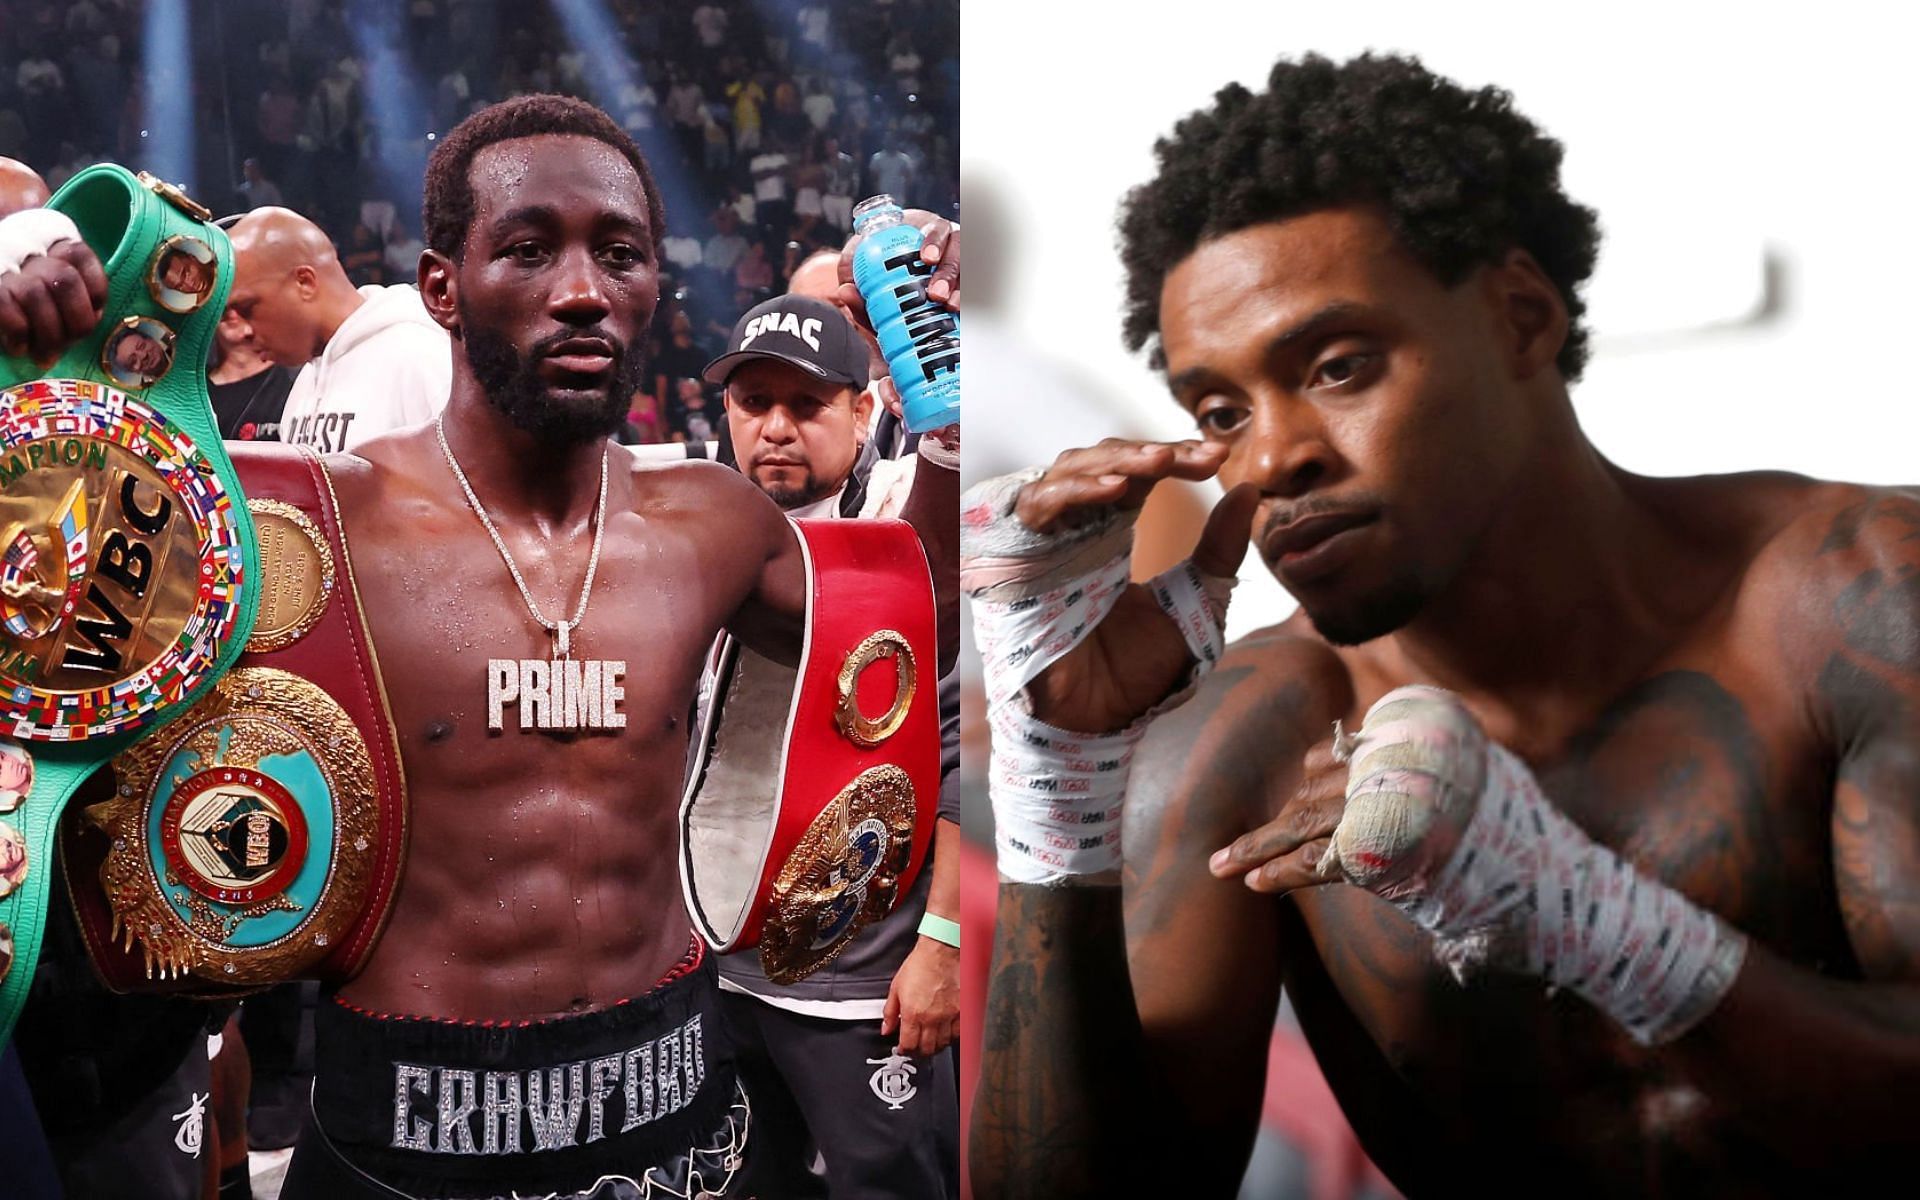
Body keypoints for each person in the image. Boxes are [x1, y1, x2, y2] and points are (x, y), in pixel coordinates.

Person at [965, 53, 1919, 1197]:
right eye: (1218, 412)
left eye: (1338, 365)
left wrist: (1588, 916)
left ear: (1521, 317)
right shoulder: (1245, 748)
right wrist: (1056, 781)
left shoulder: (1852, 604)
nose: (1270, 459)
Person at [707, 293, 961, 1197]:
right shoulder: (698, 534)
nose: (775, 428)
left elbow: (966, 758)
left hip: (866, 981)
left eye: (807, 405)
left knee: (887, 1184)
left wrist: (944, 947)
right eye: (753, 402)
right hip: (720, 966)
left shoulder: (906, 542)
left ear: (863, 412)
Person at [226, 205, 450, 453]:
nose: (243, 332)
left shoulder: (421, 358)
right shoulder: (303, 386)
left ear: (304, 283)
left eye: (247, 309)